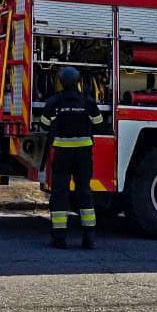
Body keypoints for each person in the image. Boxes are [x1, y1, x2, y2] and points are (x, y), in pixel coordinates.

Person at [38, 66, 103, 250]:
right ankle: (89, 239)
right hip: (83, 155)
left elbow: (44, 125)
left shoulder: (54, 102)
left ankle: (59, 239)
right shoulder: (88, 101)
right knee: (84, 193)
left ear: (61, 82)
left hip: (62, 155)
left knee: (60, 194)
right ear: (78, 82)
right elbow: (99, 124)